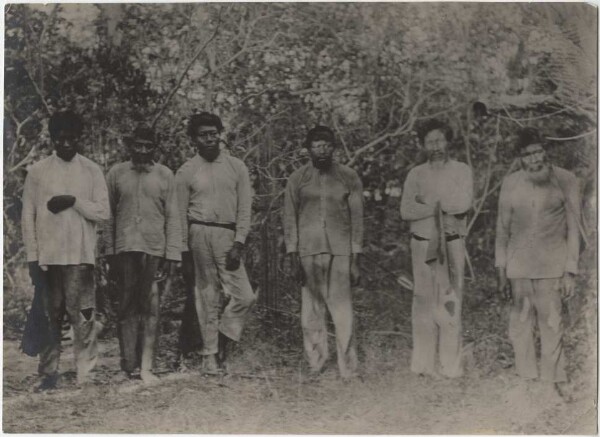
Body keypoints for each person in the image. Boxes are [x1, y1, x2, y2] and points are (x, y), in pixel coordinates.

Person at [21, 110, 110, 391]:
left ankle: (87, 373)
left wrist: (74, 201)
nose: (67, 144)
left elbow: (103, 212)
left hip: (80, 259)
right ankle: (48, 373)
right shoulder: (37, 172)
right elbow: (28, 217)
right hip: (49, 259)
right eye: (61, 138)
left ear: (79, 137)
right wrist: (33, 257)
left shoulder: (91, 170)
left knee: (83, 315)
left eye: (72, 138)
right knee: (50, 316)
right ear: (53, 138)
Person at [495, 127, 580, 385]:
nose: (534, 160)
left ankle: (551, 381)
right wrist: (501, 269)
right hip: (519, 268)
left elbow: (575, 229)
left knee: (552, 324)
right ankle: (526, 377)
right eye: (526, 155)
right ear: (520, 158)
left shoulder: (566, 180)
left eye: (537, 152)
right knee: (520, 326)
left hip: (552, 267)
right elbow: (502, 228)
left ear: (546, 151)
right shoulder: (511, 183)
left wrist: (570, 271)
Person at [176, 112, 255, 374]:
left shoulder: (236, 167)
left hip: (227, 235)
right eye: (203, 135)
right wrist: (184, 253)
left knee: (244, 295)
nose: (210, 139)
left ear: (220, 134)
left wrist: (239, 242)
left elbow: (245, 208)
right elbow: (178, 214)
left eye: (213, 133)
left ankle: (223, 337)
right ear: (193, 140)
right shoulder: (187, 171)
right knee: (206, 296)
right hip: (198, 233)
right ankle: (208, 356)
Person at [283, 126, 363, 380]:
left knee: (342, 311)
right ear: (308, 149)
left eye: (327, 145)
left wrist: (355, 258)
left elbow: (358, 219)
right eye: (317, 145)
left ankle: (348, 368)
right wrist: (293, 252)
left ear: (334, 148)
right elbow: (289, 218)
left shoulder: (348, 177)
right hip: (308, 251)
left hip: (340, 252)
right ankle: (315, 364)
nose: (322, 150)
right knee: (311, 312)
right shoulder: (297, 179)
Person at [103, 126, 182, 383]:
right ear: (131, 145)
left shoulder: (164, 175)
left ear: (155, 147)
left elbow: (173, 216)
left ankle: (147, 366)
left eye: (149, 146)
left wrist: (172, 254)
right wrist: (109, 252)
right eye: (138, 145)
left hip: (154, 248)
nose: (143, 151)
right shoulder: (116, 173)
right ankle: (127, 366)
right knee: (125, 306)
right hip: (125, 248)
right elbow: (108, 216)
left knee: (151, 307)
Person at [400, 119, 473, 378]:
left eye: (440, 140)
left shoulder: (461, 170)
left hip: (451, 244)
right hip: (421, 245)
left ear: (448, 141)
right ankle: (423, 365)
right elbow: (406, 210)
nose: (436, 146)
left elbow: (463, 203)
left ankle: (450, 367)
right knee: (422, 302)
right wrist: (438, 206)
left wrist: (428, 203)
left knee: (450, 301)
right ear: (423, 145)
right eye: (430, 142)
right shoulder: (416, 174)